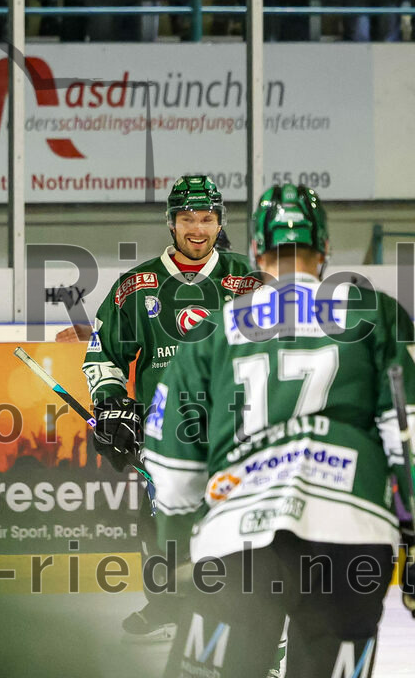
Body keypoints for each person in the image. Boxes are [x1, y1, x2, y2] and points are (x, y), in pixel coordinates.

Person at [143, 184, 415, 678]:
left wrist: (177, 549)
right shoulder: (375, 314)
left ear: (255, 254)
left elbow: (172, 464)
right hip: (351, 539)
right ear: (326, 251)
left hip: (239, 542)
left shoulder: (214, 330)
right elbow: (408, 436)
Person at [79, 175, 257, 640]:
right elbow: (102, 355)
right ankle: (167, 607)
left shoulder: (248, 281)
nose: (197, 229)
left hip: (234, 434)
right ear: (170, 223)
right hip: (167, 435)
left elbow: (280, 354)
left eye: (207, 218)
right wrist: (113, 404)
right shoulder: (137, 286)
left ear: (220, 222)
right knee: (159, 532)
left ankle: (252, 633)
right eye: (187, 219)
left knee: (238, 537)